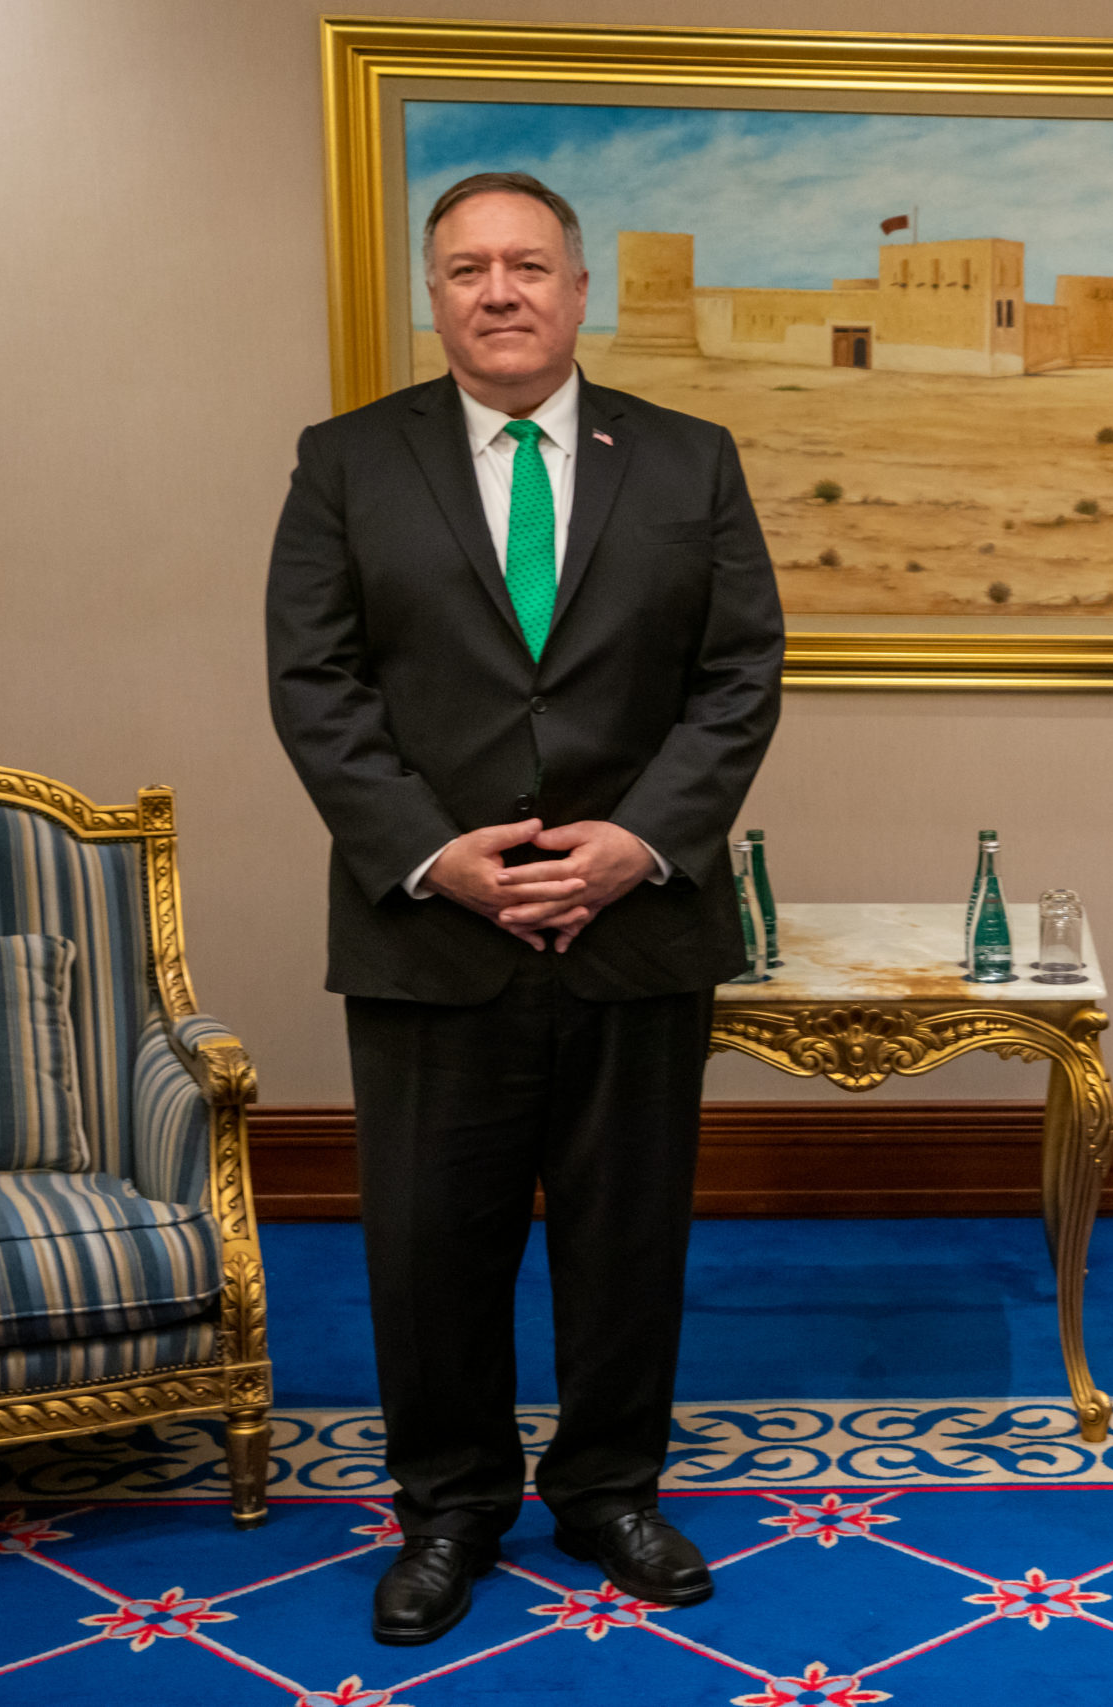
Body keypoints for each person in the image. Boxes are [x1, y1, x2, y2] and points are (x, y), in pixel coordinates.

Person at [267, 170, 783, 1646]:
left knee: (629, 1238)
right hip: (430, 930)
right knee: (431, 1244)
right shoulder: (345, 462)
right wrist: (437, 855)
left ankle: (611, 1492)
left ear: (578, 288)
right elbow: (315, 682)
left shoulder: (688, 459)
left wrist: (637, 844)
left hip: (637, 924)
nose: (499, 291)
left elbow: (739, 675)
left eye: (528, 265)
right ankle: (450, 1510)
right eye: (467, 268)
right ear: (433, 296)